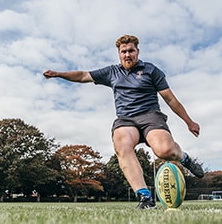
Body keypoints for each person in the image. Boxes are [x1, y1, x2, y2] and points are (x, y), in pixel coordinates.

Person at [43, 35, 204, 209]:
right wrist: (58, 74)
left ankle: (185, 158)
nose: (127, 55)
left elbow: (170, 99)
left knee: (165, 151)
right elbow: (83, 75)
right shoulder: (112, 72)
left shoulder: (151, 70)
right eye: (123, 52)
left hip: (150, 116)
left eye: (131, 51)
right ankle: (145, 198)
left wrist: (189, 121)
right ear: (119, 54)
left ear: (137, 52)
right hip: (126, 120)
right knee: (122, 145)